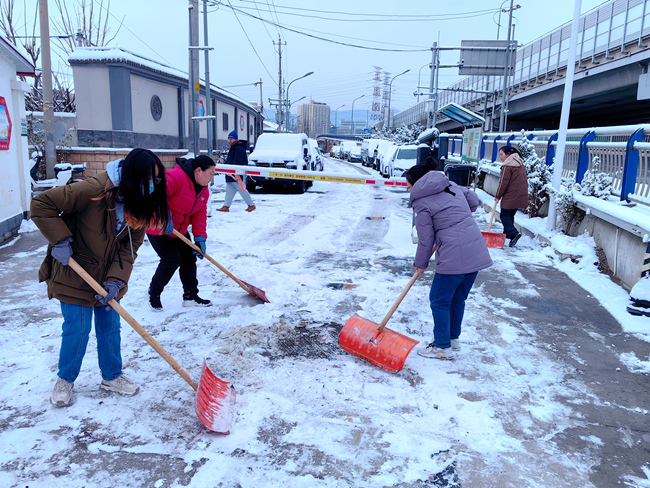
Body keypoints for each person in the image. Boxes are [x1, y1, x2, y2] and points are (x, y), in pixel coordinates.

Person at [31, 148, 170, 407]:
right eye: (148, 179)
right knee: (77, 330)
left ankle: (112, 376)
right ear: (131, 175)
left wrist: (116, 280)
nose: (152, 185)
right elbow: (42, 204)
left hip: (106, 278)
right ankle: (65, 380)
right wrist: (60, 240)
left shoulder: (139, 203)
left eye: (156, 180)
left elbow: (129, 248)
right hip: (74, 272)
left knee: (109, 328)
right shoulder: (93, 190)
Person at [406, 159, 493, 360]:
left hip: (454, 255)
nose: (409, 191)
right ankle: (452, 339)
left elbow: (426, 240)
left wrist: (421, 264)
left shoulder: (421, 202)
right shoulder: (450, 185)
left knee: (439, 300)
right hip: (476, 249)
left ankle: (442, 346)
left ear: (418, 185)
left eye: (409, 186)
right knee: (457, 299)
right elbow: (472, 201)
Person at [147, 155, 216, 311]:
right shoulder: (175, 178)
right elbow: (154, 197)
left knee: (188, 259)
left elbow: (199, 214)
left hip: (179, 229)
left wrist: (200, 238)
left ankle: (190, 295)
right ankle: (154, 293)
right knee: (171, 260)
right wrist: (163, 217)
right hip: (157, 227)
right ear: (199, 170)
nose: (211, 178)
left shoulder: (203, 191)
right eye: (211, 173)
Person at [495, 146, 529, 247]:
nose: (500, 157)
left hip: (511, 195)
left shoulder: (508, 165)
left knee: (504, 215)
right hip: (520, 195)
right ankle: (507, 236)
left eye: (502, 154)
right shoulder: (519, 162)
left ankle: (514, 233)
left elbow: (503, 184)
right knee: (510, 216)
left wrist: (498, 196)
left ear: (508, 154)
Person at [217, 130, 256, 212]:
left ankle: (251, 205)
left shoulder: (238, 148)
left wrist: (232, 170)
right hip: (232, 172)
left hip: (236, 172)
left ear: (235, 139)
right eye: (229, 139)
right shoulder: (235, 147)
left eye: (231, 139)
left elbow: (237, 161)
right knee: (230, 190)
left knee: (242, 189)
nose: (229, 140)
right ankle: (226, 206)